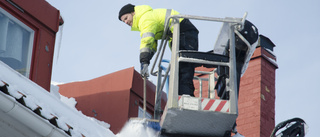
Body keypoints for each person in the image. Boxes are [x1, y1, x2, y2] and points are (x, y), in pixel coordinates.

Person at [118, 4, 199, 96]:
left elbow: (147, 40)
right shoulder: (146, 19)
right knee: (179, 67)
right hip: (178, 34)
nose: (125, 22)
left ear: (133, 13)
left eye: (126, 18)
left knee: (184, 65)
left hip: (183, 31)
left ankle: (186, 95)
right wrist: (146, 61)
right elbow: (152, 45)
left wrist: (144, 61)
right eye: (123, 21)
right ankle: (182, 95)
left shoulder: (145, 19)